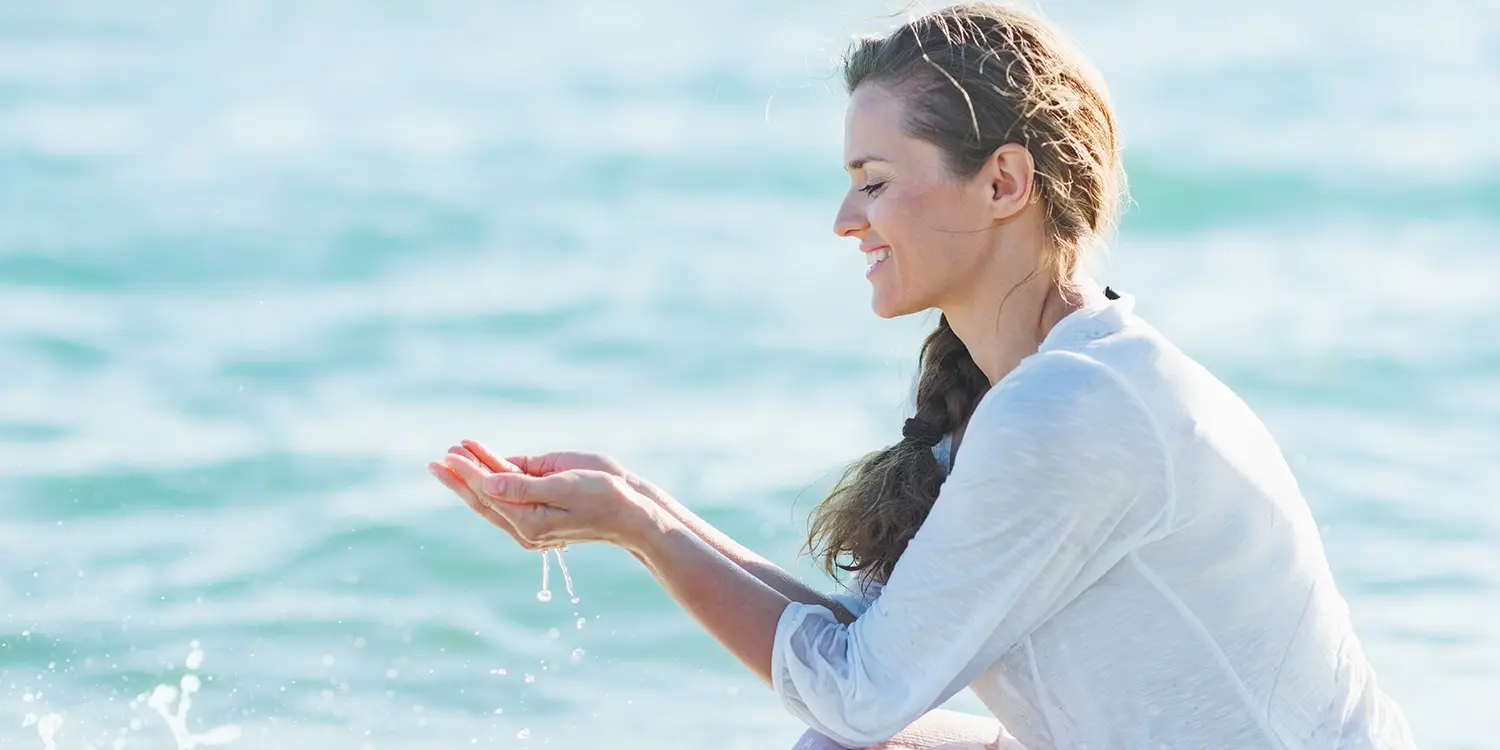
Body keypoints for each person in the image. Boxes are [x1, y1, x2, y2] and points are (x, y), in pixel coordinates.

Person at [428, 4, 1418, 748]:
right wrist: (637, 504)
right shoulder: (1015, 386)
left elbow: (864, 690)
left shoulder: (1074, 409)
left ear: (1004, 184)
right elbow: (869, 645)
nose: (846, 220)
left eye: (874, 181)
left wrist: (637, 528)